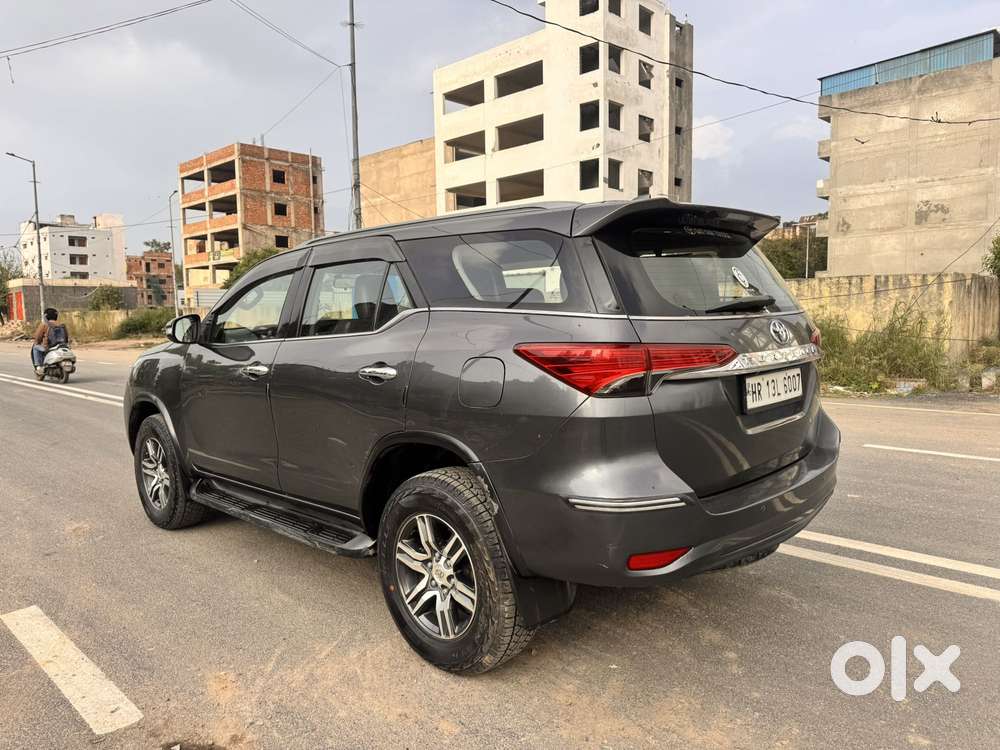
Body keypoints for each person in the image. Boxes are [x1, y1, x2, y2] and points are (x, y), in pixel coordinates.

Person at [32, 308, 70, 373]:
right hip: (62, 346)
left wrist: (37, 342)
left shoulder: (44, 325)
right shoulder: (62, 325)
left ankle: (39, 366)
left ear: (46, 317)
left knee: (35, 347)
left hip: (49, 347)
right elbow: (66, 337)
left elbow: (38, 337)